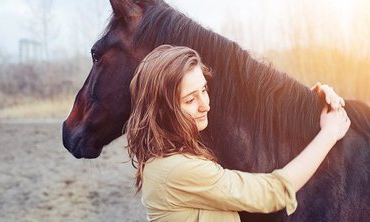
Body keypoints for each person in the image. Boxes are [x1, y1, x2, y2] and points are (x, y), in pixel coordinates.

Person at [126, 45, 350, 222]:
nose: (206, 105)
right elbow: (272, 193)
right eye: (190, 99)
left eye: (204, 90)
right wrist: (329, 133)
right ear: (163, 111)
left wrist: (306, 107)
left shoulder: (167, 154)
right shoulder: (177, 169)